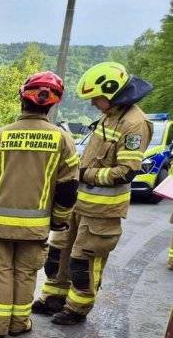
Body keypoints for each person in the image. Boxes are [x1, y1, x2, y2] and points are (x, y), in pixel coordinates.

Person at [33, 62, 153, 324]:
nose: (92, 104)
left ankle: (77, 309)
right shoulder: (110, 115)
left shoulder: (134, 124)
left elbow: (126, 172)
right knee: (59, 254)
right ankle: (54, 297)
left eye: (95, 98)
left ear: (111, 93)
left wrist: (83, 174)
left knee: (83, 262)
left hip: (103, 210)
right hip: (78, 203)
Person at [0, 71, 79, 338]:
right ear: (52, 104)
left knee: (0, 271)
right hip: (36, 227)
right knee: (27, 272)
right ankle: (19, 323)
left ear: (22, 97)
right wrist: (59, 218)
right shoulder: (63, 140)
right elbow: (68, 188)